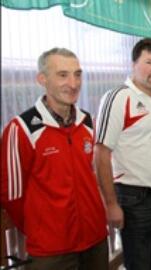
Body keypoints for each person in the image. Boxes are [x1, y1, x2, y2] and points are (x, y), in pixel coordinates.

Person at [1, 48, 108, 270]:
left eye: (77, 74)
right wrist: (42, 228)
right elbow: (11, 195)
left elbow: (92, 175)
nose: (73, 83)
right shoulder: (21, 129)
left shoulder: (87, 122)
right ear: (42, 79)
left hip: (95, 239)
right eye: (63, 75)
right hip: (51, 250)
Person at [95, 38, 151, 270]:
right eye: (149, 62)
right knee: (139, 264)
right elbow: (100, 154)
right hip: (134, 199)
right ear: (133, 64)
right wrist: (111, 204)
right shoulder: (118, 97)